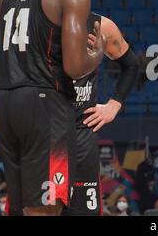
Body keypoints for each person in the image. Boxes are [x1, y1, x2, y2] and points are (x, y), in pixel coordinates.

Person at [0, 0, 104, 216]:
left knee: (18, 207)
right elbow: (75, 67)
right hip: (44, 107)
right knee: (46, 208)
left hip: (5, 101)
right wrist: (98, 54)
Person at [65, 12, 139, 216]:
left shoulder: (100, 26)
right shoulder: (40, 22)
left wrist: (114, 105)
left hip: (83, 130)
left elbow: (131, 65)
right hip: (48, 131)